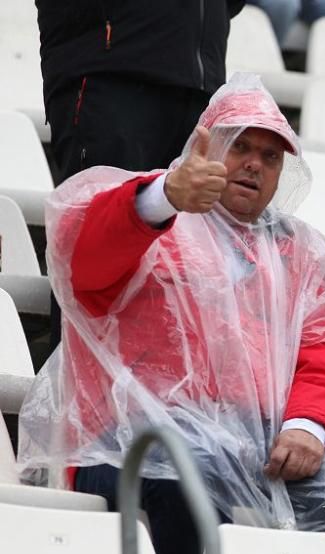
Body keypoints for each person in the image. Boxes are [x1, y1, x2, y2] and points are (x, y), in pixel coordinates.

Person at [17, 75, 325, 554]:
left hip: (252, 447)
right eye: (239, 145)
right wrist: (161, 199)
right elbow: (83, 264)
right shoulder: (154, 208)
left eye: (270, 156)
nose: (253, 164)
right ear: (206, 145)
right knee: (186, 468)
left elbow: (324, 351)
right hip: (123, 438)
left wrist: (307, 428)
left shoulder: (297, 252)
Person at [36, 0, 245, 350]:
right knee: (95, 248)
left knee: (175, 272)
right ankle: (74, 398)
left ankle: (152, 401)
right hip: (112, 70)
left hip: (197, 81)